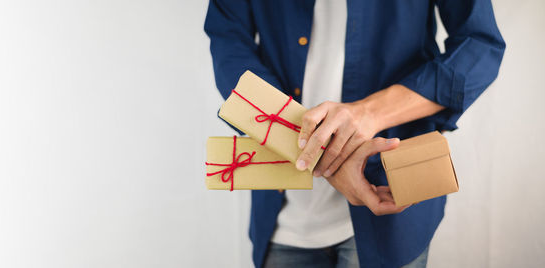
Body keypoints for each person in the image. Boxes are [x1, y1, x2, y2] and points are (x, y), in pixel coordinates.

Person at [204, 0, 505, 267]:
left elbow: (479, 45)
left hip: (392, 199)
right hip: (283, 212)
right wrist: (320, 155)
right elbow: (229, 45)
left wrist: (369, 113)